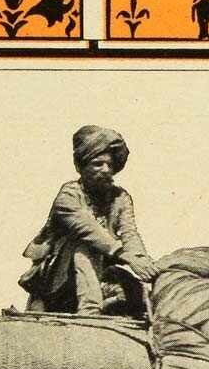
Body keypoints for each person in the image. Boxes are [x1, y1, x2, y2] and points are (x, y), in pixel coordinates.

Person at [19, 124, 158, 316]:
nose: (106, 170)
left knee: (134, 289)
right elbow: (89, 230)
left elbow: (129, 233)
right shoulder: (68, 196)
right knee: (85, 247)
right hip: (58, 280)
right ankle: (89, 311)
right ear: (80, 166)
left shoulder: (120, 197)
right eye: (97, 164)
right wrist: (128, 258)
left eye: (109, 165)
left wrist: (142, 260)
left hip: (101, 273)